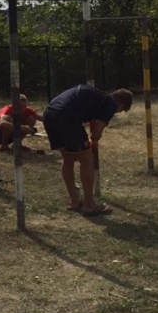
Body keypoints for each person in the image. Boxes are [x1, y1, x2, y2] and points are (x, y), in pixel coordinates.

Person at [42, 85, 133, 217]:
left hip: (49, 114)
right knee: (86, 158)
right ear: (121, 103)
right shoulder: (110, 104)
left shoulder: (97, 97)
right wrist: (93, 141)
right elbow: (96, 135)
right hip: (66, 116)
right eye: (122, 110)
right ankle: (89, 205)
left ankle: (74, 201)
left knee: (68, 158)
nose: (118, 112)